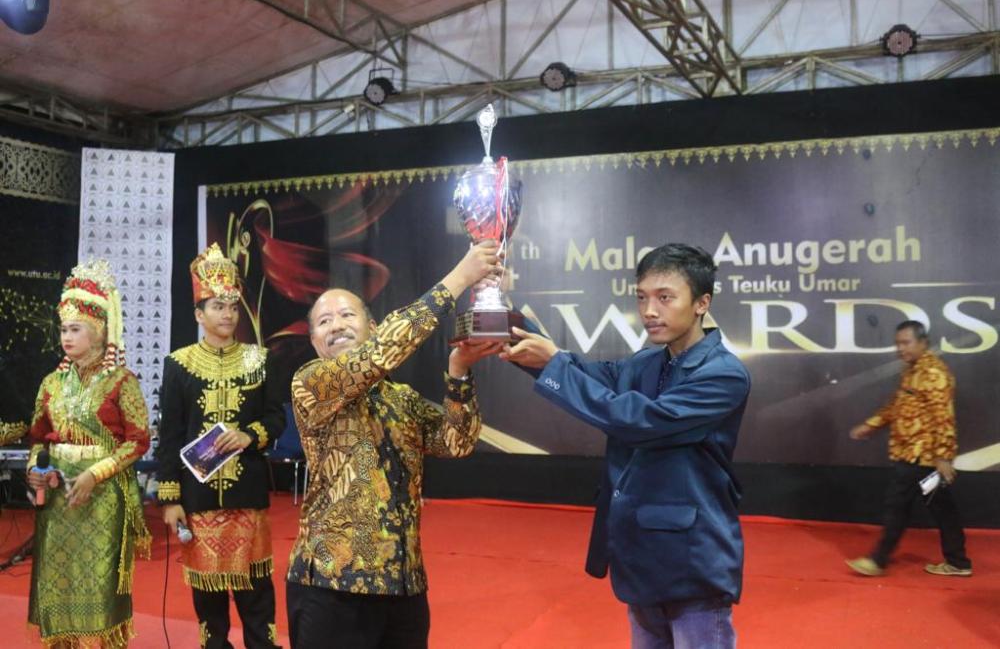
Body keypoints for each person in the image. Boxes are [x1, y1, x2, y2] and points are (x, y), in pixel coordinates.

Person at [501, 243, 750, 649]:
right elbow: (584, 374)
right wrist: (507, 322)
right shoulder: (644, 362)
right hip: (638, 553)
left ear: (702, 303)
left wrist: (554, 363)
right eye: (642, 297)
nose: (650, 310)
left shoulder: (724, 374)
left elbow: (638, 421)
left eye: (665, 298)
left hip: (693, 557)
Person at [286, 240, 501, 649]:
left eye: (347, 315)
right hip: (333, 583)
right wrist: (460, 278)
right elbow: (379, 355)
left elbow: (457, 442)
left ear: (372, 326)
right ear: (314, 341)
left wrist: (458, 370)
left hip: (404, 584)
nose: (336, 326)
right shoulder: (311, 383)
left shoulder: (402, 400)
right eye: (325, 321)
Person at [0, 259, 151, 648]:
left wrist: (94, 474)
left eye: (75, 329)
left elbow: (138, 441)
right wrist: (36, 469)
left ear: (98, 330)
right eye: (64, 329)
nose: (66, 336)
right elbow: (38, 439)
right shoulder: (51, 383)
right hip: (57, 497)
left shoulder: (122, 381)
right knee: (58, 583)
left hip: (102, 498)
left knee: (98, 585)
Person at [156, 243, 286, 649]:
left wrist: (250, 435)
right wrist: (170, 498)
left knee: (256, 590)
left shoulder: (260, 360)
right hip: (198, 498)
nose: (227, 314)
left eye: (232, 306)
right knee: (208, 597)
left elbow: (276, 418)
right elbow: (170, 434)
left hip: (247, 495)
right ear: (199, 314)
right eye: (217, 306)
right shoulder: (179, 364)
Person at [846, 320, 972, 577]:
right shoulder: (911, 370)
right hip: (913, 455)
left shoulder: (934, 373)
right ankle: (958, 562)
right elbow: (896, 406)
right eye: (898, 343)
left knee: (898, 505)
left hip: (922, 457)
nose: (900, 348)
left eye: (906, 342)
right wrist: (870, 425)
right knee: (941, 508)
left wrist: (943, 457)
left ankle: (878, 560)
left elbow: (944, 417)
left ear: (923, 343)